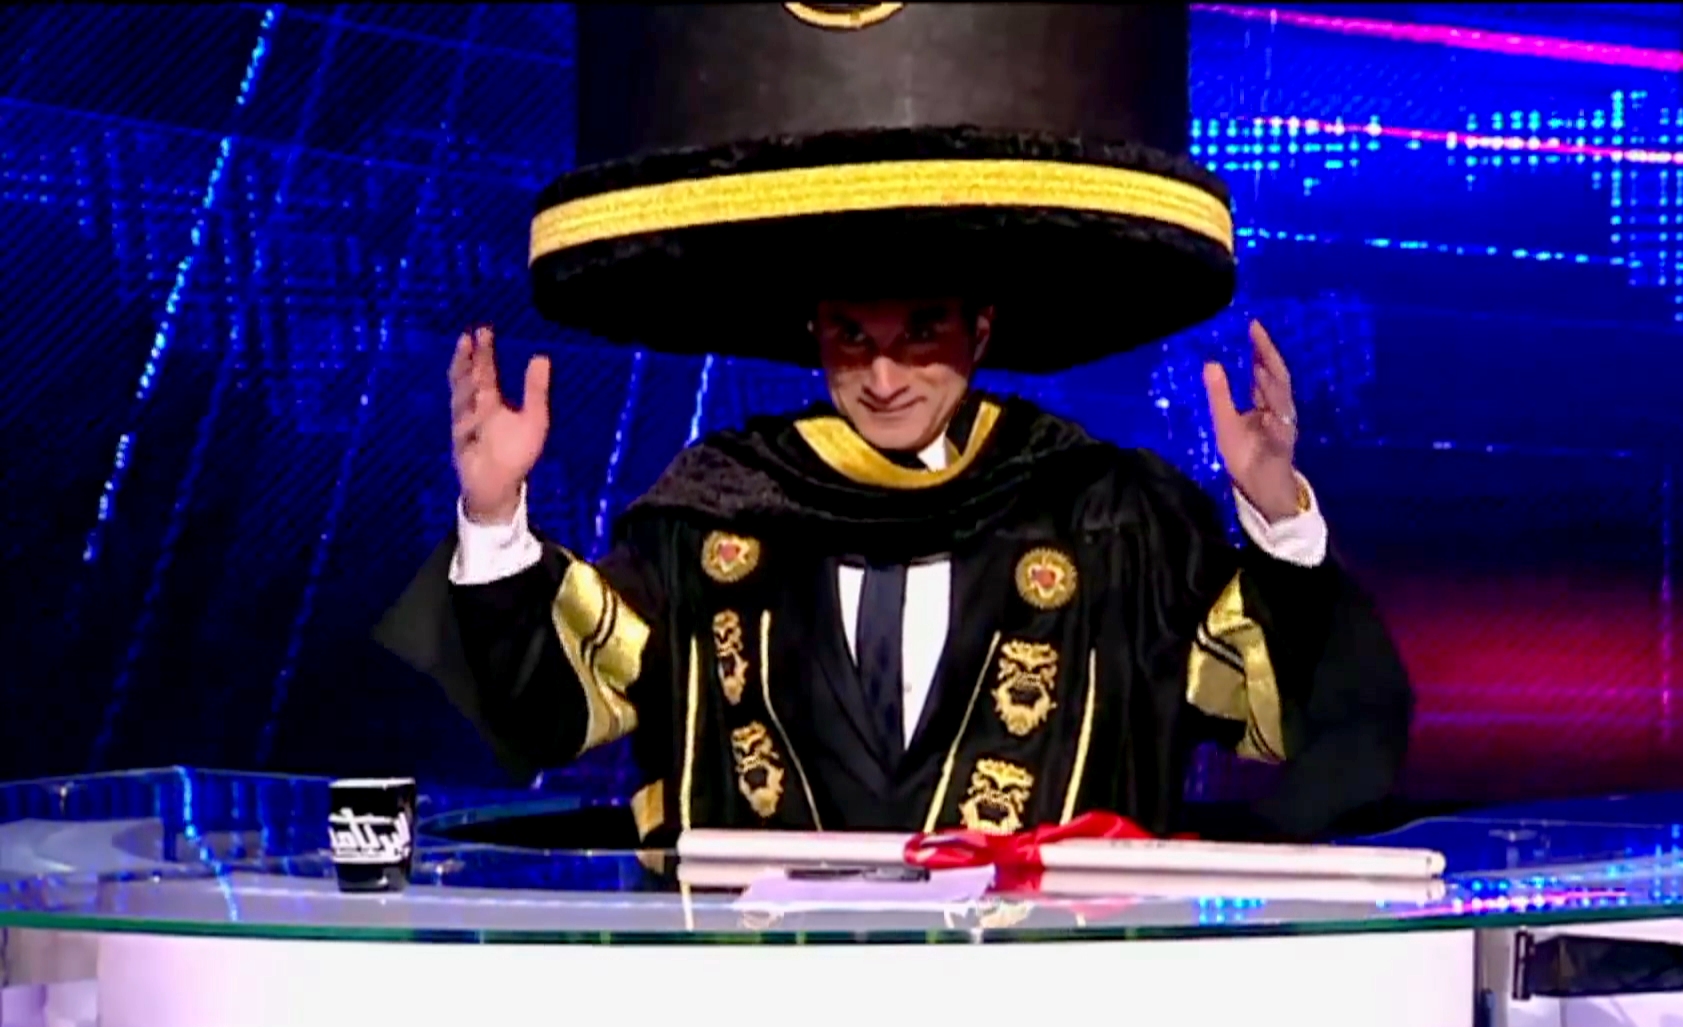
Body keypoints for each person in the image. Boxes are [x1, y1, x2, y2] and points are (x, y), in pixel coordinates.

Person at [376, 3, 1411, 843]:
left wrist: (1280, 517)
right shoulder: (713, 516)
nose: (882, 376)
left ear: (981, 328)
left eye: (920, 333)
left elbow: (1296, 713)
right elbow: (550, 710)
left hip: (1059, 993)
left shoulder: (1112, 519)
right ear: (814, 335)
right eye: (851, 335)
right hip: (762, 991)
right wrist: (494, 514)